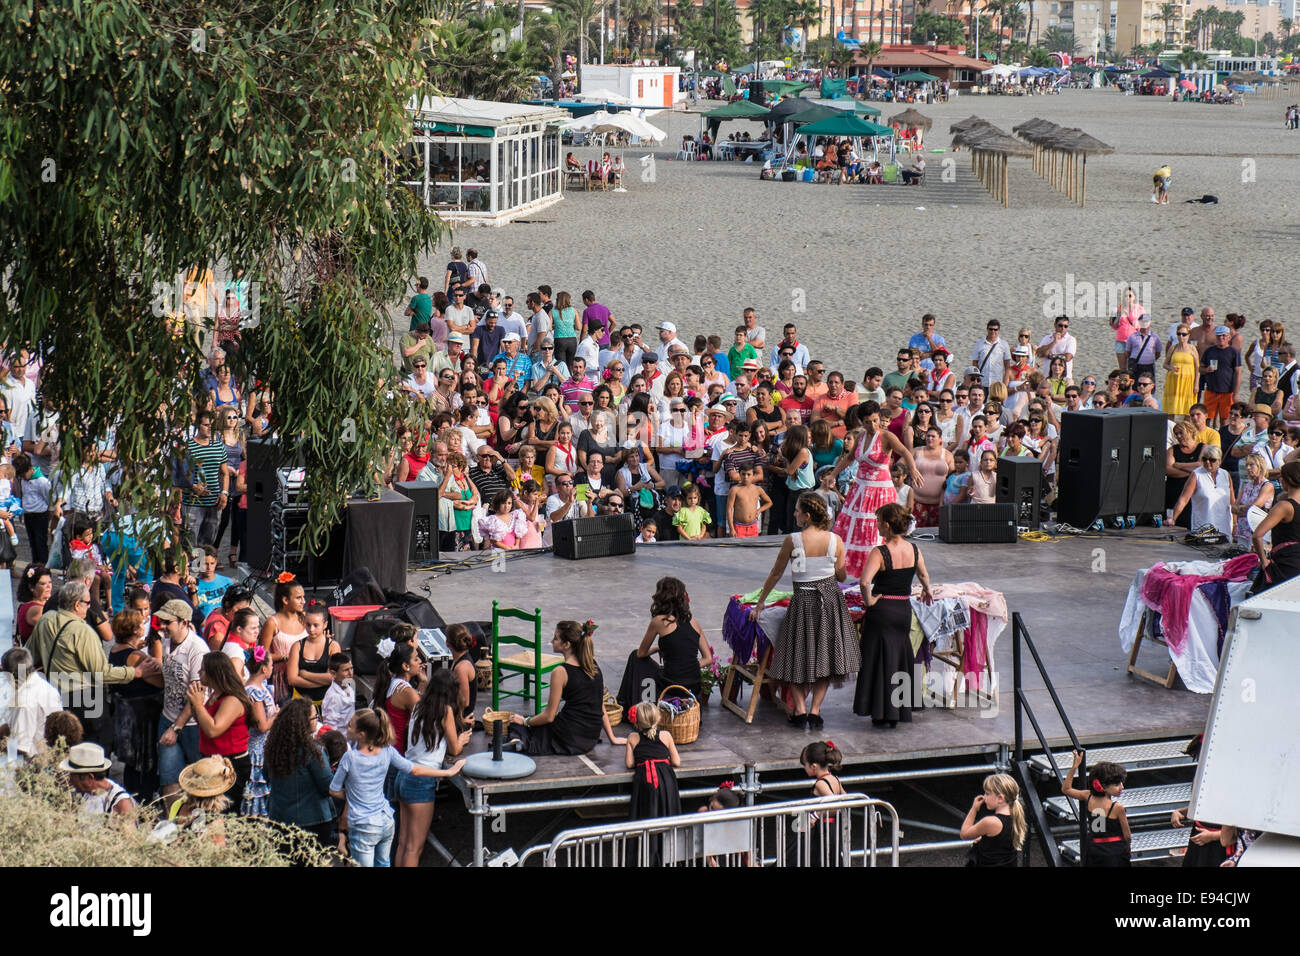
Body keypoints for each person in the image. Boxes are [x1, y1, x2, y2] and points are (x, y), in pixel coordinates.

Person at [749, 492, 860, 730]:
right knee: (827, 659)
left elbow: (776, 573)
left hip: (804, 600)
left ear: (807, 516)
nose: (794, 514)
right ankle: (815, 711)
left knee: (795, 656)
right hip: (830, 601)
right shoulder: (835, 540)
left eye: (797, 510)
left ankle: (799, 709)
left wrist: (760, 603)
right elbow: (842, 575)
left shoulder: (793, 540)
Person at [330, 708, 465, 867]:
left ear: (362, 735)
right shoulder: (387, 751)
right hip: (385, 820)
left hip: (362, 824)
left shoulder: (350, 757)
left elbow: (333, 789)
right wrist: (448, 772)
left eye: (350, 725)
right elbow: (415, 769)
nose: (347, 726)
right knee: (384, 863)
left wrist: (354, 795)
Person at [855, 503, 933, 727]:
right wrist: (927, 590)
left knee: (879, 659)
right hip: (902, 610)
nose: (877, 525)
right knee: (898, 658)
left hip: (882, 610)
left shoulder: (880, 552)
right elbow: (924, 575)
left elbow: (864, 581)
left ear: (887, 526)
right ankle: (896, 710)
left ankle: (880, 712)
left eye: (879, 521)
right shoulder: (914, 550)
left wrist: (868, 600)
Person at [831, 401, 925, 579]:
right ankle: (857, 573)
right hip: (859, 490)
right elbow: (850, 458)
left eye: (875, 420)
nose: (872, 425)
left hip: (879, 492)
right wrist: (833, 474)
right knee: (856, 531)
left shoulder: (886, 436)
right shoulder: (860, 436)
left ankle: (882, 571)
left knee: (877, 532)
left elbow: (905, 452)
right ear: (862, 422)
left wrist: (912, 469)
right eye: (867, 422)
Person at [508, 621, 626, 754]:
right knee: (530, 722)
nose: (552, 641)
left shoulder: (560, 672)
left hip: (569, 738)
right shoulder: (593, 665)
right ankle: (517, 740)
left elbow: (549, 716)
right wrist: (612, 738)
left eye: (556, 638)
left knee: (517, 723)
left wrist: (525, 721)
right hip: (589, 739)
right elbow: (599, 705)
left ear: (567, 645)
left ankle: (517, 742)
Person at [396, 670, 472, 868]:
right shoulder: (445, 710)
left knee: (403, 843)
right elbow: (455, 749)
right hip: (421, 781)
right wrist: (461, 739)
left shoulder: (419, 705)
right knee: (415, 848)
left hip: (404, 775)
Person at [265, 698, 337, 852]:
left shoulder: (272, 748)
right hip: (312, 820)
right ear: (303, 722)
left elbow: (266, 776)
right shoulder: (313, 750)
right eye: (314, 718)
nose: (316, 721)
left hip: (280, 819)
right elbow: (327, 787)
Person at [187, 651, 253, 813]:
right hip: (212, 761)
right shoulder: (215, 695)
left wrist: (198, 705)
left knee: (224, 812)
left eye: (202, 670)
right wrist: (196, 703)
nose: (198, 673)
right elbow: (203, 723)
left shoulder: (232, 700)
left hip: (230, 763)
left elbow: (213, 729)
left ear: (213, 674)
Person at [1062, 752, 1131, 866]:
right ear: (1103, 786)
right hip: (1115, 852)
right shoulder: (1117, 807)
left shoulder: (1087, 796)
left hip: (1094, 850)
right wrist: (1127, 848)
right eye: (1117, 784)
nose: (1121, 787)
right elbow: (1127, 836)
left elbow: (1066, 789)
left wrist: (1075, 766)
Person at [0, 647, 63, 758]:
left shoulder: (23, 702)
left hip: (36, 762)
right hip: (52, 754)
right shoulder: (46, 687)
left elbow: (20, 747)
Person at [625, 702, 682, 821]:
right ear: (657, 718)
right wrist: (662, 761)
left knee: (647, 813)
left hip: (645, 778)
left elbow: (629, 763)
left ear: (637, 722)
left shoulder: (632, 737)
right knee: (667, 811)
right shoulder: (666, 735)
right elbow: (676, 762)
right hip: (665, 779)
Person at [1251, 461, 1300, 593]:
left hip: (1285, 565)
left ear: (1288, 479)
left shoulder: (1284, 506)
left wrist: (1264, 561)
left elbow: (1257, 535)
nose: (1279, 479)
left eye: (1281, 476)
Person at [959, 774, 1025, 867]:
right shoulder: (1016, 815)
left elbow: (964, 834)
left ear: (1000, 798)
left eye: (987, 793)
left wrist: (974, 809)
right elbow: (1000, 841)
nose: (984, 797)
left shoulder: (990, 822)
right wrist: (983, 839)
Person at [241, 647, 276, 816]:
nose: (272, 668)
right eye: (271, 665)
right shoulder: (255, 692)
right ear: (264, 668)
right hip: (257, 749)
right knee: (257, 792)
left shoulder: (256, 687)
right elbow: (262, 725)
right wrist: (278, 715)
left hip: (262, 746)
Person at [1170, 445, 1234, 536]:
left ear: (1219, 461)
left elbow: (1232, 502)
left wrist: (1235, 523)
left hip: (1224, 527)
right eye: (1204, 459)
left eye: (1212, 460)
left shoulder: (1226, 475)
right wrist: (1173, 518)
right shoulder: (1196, 474)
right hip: (1202, 527)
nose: (1208, 462)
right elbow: (1183, 500)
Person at [62, 742, 136, 818]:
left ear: (90, 777)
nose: (69, 780)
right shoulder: (85, 794)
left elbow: (129, 829)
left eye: (72, 775)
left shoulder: (121, 803)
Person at [14, 563, 52, 646]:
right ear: (31, 587)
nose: (48, 586)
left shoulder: (29, 606)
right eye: (43, 584)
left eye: (50, 582)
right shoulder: (36, 610)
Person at [321, 652, 356, 732]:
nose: (350, 673)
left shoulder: (349, 687)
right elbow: (331, 727)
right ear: (333, 673)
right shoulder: (334, 697)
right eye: (346, 670)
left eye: (351, 668)